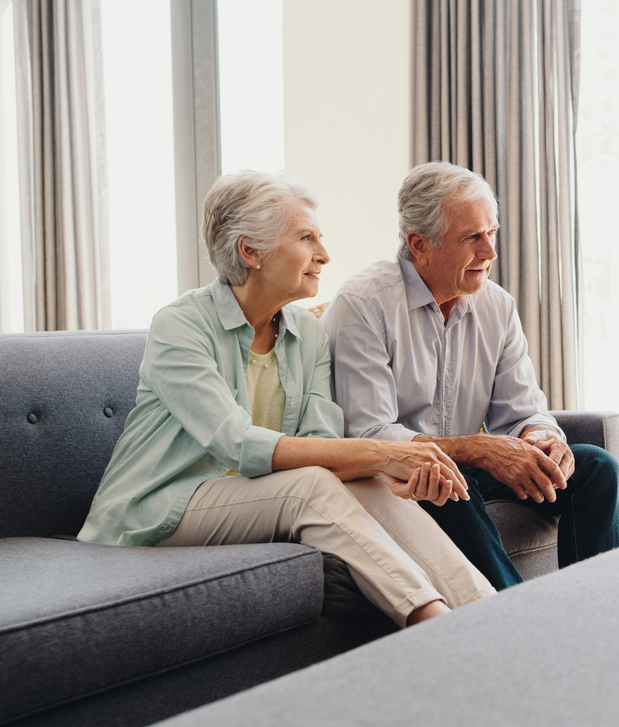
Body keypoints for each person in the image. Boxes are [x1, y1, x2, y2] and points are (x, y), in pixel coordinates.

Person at [78, 170, 494, 628]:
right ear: (250, 251)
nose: (324, 254)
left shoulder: (307, 333)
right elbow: (235, 442)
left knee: (365, 479)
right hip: (159, 507)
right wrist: (383, 451)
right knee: (311, 486)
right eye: (306, 238)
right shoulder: (181, 325)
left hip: (251, 498)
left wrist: (389, 467)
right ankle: (432, 622)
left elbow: (322, 443)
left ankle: (488, 616)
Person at [322, 162, 619, 590]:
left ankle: (594, 613)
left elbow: (521, 411)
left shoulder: (496, 306)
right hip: (394, 478)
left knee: (596, 467)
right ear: (419, 244)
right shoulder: (364, 304)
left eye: (491, 233)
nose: (490, 252)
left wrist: (542, 438)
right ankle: (516, 620)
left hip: (461, 468)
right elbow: (368, 433)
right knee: (445, 482)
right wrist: (477, 449)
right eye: (472, 238)